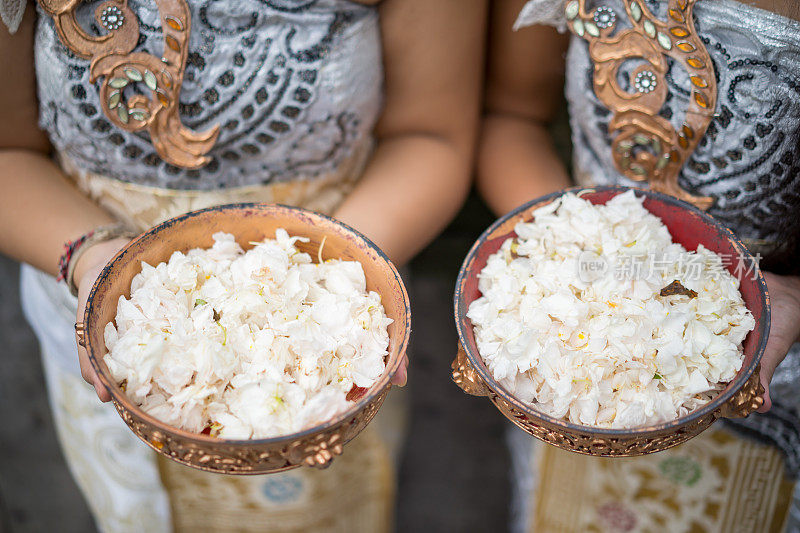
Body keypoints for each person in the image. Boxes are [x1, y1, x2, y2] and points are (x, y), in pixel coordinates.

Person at [0, 0, 485, 530]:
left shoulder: (328, 302)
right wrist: (96, 258)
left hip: (318, 324)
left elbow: (431, 133)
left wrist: (333, 285)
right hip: (122, 325)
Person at [478, 0, 800, 530]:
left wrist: (791, 291)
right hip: (574, 333)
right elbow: (513, 116)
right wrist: (565, 237)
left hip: (766, 345)